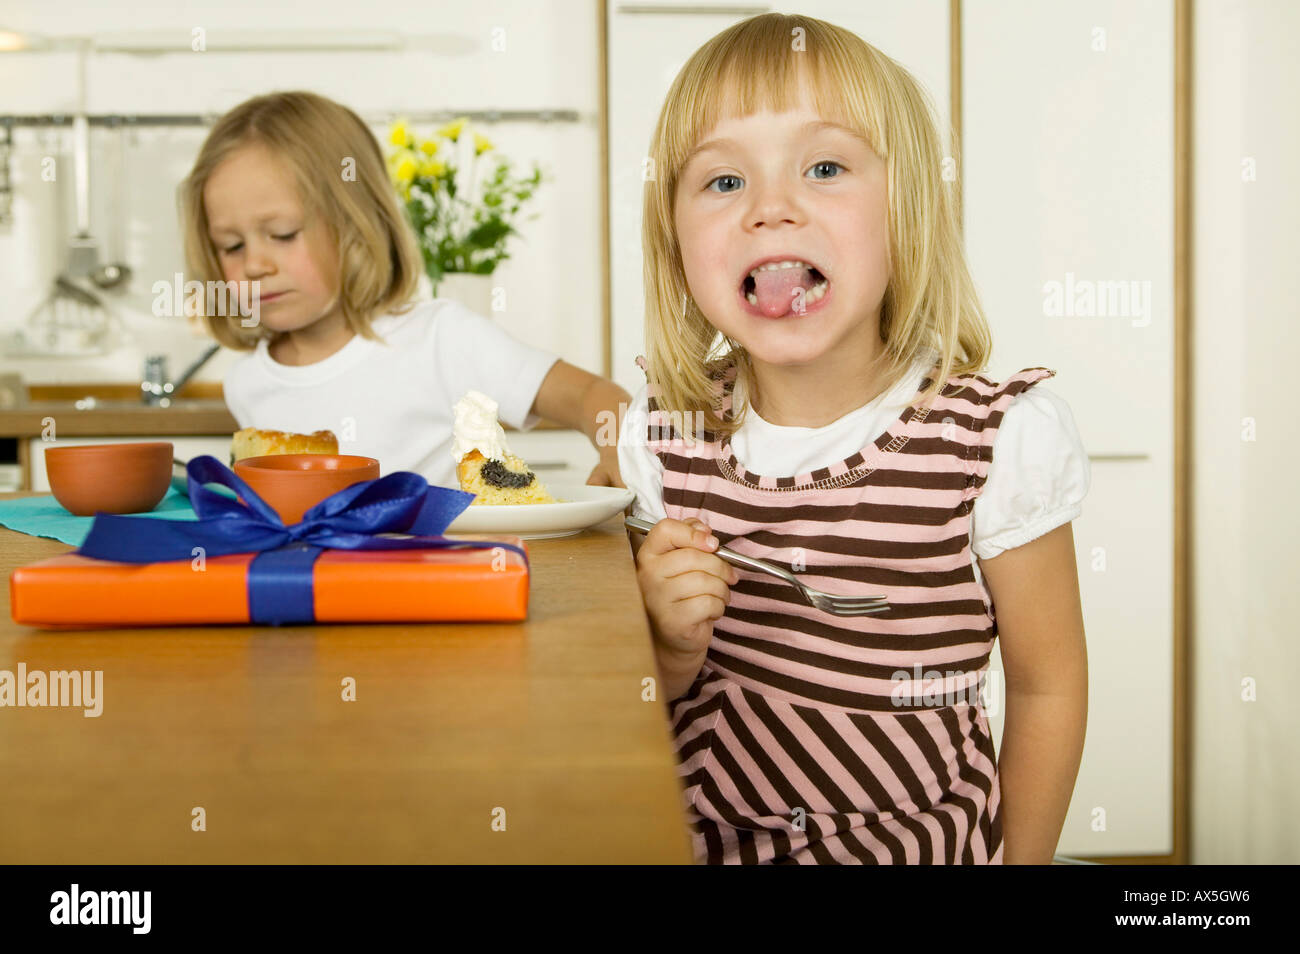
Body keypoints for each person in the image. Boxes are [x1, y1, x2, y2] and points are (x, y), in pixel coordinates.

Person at [619, 13, 1090, 864]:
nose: (770, 210)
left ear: (905, 211)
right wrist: (668, 643)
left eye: (825, 167)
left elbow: (1047, 685)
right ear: (675, 240)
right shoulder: (662, 435)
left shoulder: (993, 443)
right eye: (723, 183)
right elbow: (638, 699)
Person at [179, 90, 627, 488]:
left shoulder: (441, 340)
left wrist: (616, 452)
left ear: (354, 224)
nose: (254, 264)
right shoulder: (246, 383)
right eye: (231, 246)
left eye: (282, 233)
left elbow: (595, 396)